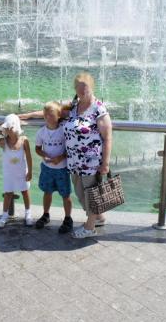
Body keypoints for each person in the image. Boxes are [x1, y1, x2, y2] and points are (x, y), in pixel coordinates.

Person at [20, 72, 113, 238]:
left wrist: (105, 163)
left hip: (91, 162)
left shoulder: (98, 109)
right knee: (80, 192)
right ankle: (98, 217)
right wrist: (26, 116)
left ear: (92, 89)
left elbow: (108, 137)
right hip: (73, 161)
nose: (83, 93)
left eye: (86, 90)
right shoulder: (74, 107)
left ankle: (89, 227)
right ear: (75, 89)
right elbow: (51, 112)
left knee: (91, 193)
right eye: (79, 90)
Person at [34, 101, 73, 233]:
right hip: (47, 168)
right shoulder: (41, 132)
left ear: (58, 115)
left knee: (66, 195)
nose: (48, 118)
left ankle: (68, 218)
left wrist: (60, 157)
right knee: (47, 192)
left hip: (62, 168)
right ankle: (45, 214)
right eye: (46, 115)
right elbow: (37, 148)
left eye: (51, 115)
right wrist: (44, 155)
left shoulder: (64, 130)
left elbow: (71, 148)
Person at [0, 113, 33, 228]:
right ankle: (4, 215)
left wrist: (30, 172)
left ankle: (28, 213)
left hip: (22, 171)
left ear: (17, 127)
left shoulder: (24, 140)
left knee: (25, 192)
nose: (9, 131)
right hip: (9, 173)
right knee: (8, 193)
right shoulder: (3, 141)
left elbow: (29, 157)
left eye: (11, 128)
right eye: (7, 129)